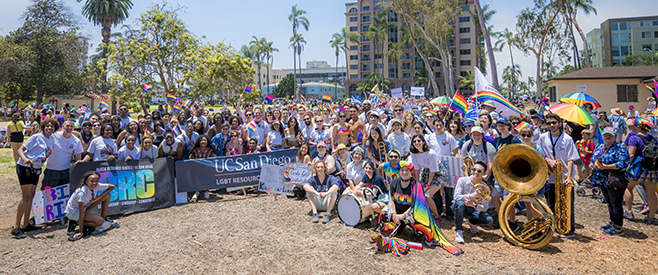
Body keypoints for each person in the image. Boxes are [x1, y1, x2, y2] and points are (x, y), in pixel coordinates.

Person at [11, 118, 58, 239]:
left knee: (31, 196)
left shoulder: (51, 139)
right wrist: (25, 159)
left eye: (52, 126)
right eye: (47, 126)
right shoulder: (37, 137)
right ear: (43, 127)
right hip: (25, 167)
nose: (49, 128)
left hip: (36, 168)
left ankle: (26, 224)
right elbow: (20, 149)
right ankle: (16, 227)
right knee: (26, 196)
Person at [538, 113, 579, 238]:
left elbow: (571, 159)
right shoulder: (543, 137)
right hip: (549, 176)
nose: (551, 125)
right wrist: (549, 161)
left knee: (566, 204)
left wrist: (569, 177)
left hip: (564, 175)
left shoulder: (567, 139)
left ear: (559, 123)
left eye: (553, 123)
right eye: (548, 123)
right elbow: (540, 154)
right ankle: (553, 226)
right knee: (551, 203)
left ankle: (568, 229)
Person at [590, 127, 630, 234]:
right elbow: (594, 159)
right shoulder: (600, 147)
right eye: (605, 135)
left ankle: (617, 226)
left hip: (615, 180)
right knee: (609, 202)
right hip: (602, 180)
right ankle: (612, 222)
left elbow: (623, 164)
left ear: (615, 137)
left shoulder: (620, 148)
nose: (607, 137)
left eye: (610, 135)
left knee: (616, 203)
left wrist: (606, 166)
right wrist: (592, 164)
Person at [64, 171, 119, 241]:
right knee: (100, 222)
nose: (94, 183)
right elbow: (81, 213)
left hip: (84, 206)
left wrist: (100, 196)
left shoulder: (97, 185)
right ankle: (74, 222)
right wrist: (80, 231)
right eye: (92, 181)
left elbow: (112, 186)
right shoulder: (82, 193)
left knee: (107, 196)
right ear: (86, 182)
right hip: (74, 211)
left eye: (96, 181)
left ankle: (104, 218)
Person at [623, 118, 658, 224]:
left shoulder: (634, 138)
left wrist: (625, 166)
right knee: (651, 193)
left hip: (639, 168)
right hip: (653, 168)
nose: (630, 128)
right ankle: (651, 217)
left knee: (628, 187)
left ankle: (629, 211)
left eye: (631, 126)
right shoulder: (653, 138)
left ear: (638, 127)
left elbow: (631, 154)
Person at [452, 161, 494, 244]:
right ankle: (459, 230)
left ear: (484, 173)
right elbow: (456, 197)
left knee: (489, 220)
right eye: (474, 169)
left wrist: (474, 205)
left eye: (479, 171)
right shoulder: (462, 180)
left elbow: (485, 207)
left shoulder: (485, 188)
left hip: (473, 210)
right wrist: (472, 195)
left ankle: (472, 222)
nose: (475, 172)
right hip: (459, 207)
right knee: (460, 204)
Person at [42, 120, 84, 190]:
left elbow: (78, 159)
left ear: (74, 127)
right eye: (67, 126)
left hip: (66, 171)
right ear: (63, 126)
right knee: (48, 193)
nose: (69, 128)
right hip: (51, 169)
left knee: (64, 194)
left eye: (71, 126)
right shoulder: (53, 136)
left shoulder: (76, 141)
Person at [410, 134, 443, 223]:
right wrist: (417, 184)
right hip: (425, 173)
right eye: (414, 141)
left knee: (427, 195)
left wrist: (428, 185)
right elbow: (416, 169)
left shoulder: (431, 153)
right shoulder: (414, 154)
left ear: (423, 142)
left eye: (419, 141)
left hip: (437, 174)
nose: (417, 143)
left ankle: (438, 217)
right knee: (418, 193)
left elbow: (433, 171)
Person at [189, 135, 216, 202]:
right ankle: (197, 192)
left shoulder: (210, 150)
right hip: (197, 169)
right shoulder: (195, 150)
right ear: (199, 142)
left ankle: (206, 191)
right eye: (202, 140)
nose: (203, 142)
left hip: (207, 169)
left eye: (205, 140)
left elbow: (214, 158)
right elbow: (190, 157)